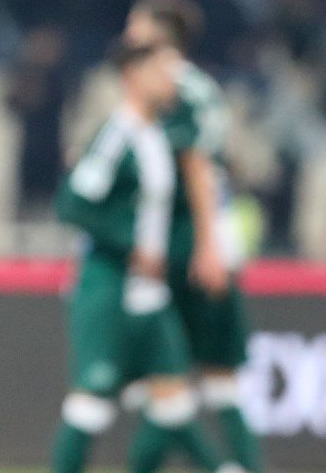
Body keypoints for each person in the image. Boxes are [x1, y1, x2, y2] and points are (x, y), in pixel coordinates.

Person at [51, 40, 226, 473]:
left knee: (174, 400)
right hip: (108, 285)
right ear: (133, 77)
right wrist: (132, 248)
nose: (171, 82)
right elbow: (74, 204)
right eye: (161, 72)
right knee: (91, 402)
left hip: (149, 292)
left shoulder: (158, 135)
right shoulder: (117, 135)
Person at [124, 0, 260, 473]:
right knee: (184, 377)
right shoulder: (191, 87)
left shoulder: (177, 89)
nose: (128, 37)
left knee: (173, 373)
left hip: (190, 239)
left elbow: (197, 168)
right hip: (192, 236)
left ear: (161, 36)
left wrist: (207, 245)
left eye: (136, 28)